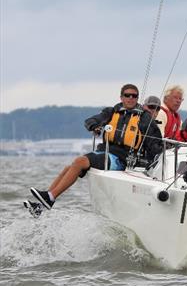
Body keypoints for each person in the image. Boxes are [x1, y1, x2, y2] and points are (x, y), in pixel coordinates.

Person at [27, 84, 163, 213]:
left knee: (80, 161)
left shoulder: (144, 118)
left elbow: (155, 144)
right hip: (104, 151)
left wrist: (148, 163)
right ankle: (42, 204)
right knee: (69, 167)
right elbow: (90, 121)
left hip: (121, 158)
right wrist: (95, 127)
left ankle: (50, 197)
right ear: (121, 97)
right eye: (127, 95)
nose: (131, 98)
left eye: (134, 96)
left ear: (137, 98)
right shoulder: (111, 111)